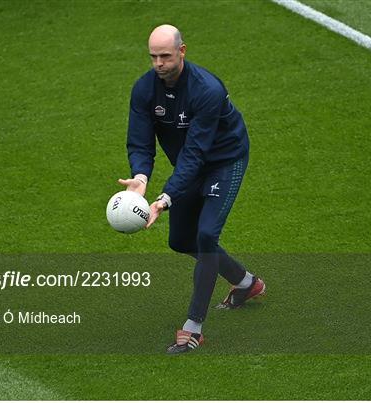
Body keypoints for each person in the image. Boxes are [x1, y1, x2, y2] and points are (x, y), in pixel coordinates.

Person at [118, 24, 265, 354]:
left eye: (165, 56)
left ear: (182, 52)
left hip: (224, 160)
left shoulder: (207, 90)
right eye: (153, 57)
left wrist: (165, 198)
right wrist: (140, 178)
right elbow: (140, 141)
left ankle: (193, 329)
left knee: (206, 235)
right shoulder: (144, 90)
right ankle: (246, 283)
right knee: (180, 240)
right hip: (191, 163)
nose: (159, 63)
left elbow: (197, 152)